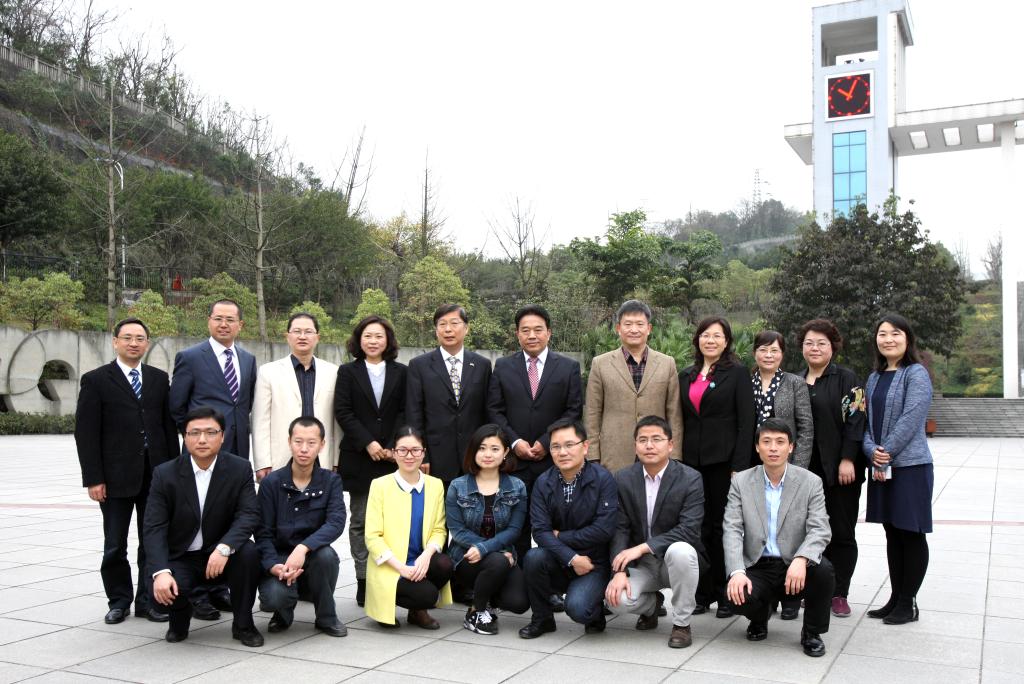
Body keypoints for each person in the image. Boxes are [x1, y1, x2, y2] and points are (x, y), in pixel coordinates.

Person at [74, 317, 179, 624]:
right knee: (115, 544)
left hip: (155, 475)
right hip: (114, 477)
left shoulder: (158, 378)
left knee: (152, 541)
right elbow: (86, 433)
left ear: (147, 343)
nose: (134, 343)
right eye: (128, 338)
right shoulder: (96, 380)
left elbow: (167, 429)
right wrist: (94, 478)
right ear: (115, 342)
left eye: (140, 338)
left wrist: (174, 471)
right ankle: (119, 600)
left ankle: (148, 601)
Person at [143, 407, 263, 647]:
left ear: (222, 436)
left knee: (249, 553)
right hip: (181, 556)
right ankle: (179, 617)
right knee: (160, 595)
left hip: (221, 553)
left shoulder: (239, 469)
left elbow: (248, 514)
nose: (202, 439)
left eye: (210, 432)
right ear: (185, 436)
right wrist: (161, 572)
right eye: (194, 433)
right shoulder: (165, 474)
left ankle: (243, 624)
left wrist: (225, 547)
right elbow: (154, 527)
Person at [169, 299, 256, 620]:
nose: (224, 324)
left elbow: (243, 404)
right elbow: (177, 406)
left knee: (227, 515)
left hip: (236, 452)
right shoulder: (191, 357)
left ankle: (219, 586)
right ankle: (196, 593)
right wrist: (198, 440)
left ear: (240, 325)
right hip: (201, 454)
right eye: (218, 318)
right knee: (198, 516)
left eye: (230, 319)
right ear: (209, 321)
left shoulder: (248, 359)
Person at [723, 419, 834, 658]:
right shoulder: (741, 481)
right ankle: (759, 616)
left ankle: (812, 632)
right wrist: (737, 571)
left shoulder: (810, 482)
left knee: (823, 571)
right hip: (758, 564)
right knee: (734, 595)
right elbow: (731, 528)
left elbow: (820, 528)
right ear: (757, 447)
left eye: (780, 442)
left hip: (793, 563)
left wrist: (802, 558)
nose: (773, 448)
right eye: (766, 442)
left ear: (790, 447)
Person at [487, 304, 583, 559]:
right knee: (515, 526)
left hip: (553, 462)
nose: (532, 335)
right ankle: (516, 576)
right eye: (525, 330)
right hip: (514, 462)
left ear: (548, 333)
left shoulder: (568, 367)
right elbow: (494, 410)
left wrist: (546, 441)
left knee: (554, 525)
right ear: (517, 334)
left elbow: (573, 410)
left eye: (538, 330)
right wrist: (514, 441)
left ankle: (550, 576)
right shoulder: (503, 366)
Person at [604, 416, 705, 649]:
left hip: (675, 562)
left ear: (670, 445)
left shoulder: (690, 478)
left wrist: (643, 547)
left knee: (681, 550)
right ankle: (652, 606)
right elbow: (620, 528)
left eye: (656, 439)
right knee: (615, 600)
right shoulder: (623, 478)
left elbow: (689, 530)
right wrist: (619, 571)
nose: (649, 445)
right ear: (635, 446)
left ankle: (681, 624)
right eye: (643, 440)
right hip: (642, 565)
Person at [679, 316, 755, 617]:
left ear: (726, 342)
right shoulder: (686, 374)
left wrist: (739, 465)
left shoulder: (736, 373)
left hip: (724, 463)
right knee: (696, 526)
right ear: (697, 339)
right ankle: (702, 592)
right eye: (705, 335)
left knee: (723, 526)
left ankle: (726, 593)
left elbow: (747, 422)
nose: (710, 340)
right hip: (692, 463)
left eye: (717, 336)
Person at [863, 314, 934, 625]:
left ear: (908, 339)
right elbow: (865, 422)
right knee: (892, 532)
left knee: (911, 532)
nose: (888, 339)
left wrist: (885, 453)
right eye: (882, 334)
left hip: (910, 467)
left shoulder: (916, 374)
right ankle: (895, 597)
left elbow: (911, 419)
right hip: (882, 465)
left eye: (895, 333)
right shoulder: (874, 378)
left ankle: (909, 602)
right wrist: (871, 450)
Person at [518, 419, 618, 639]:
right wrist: (572, 558)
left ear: (585, 446)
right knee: (533, 558)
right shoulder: (543, 482)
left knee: (579, 609)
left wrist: (561, 536)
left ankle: (595, 611)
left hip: (593, 562)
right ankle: (542, 618)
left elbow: (604, 529)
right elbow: (540, 532)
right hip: (561, 559)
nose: (562, 452)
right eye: (556, 446)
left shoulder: (603, 479)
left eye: (569, 445)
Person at [334, 315, 407, 607]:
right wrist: (369, 443)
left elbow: (405, 411)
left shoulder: (402, 372)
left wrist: (391, 446)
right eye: (368, 336)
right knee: (361, 521)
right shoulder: (347, 372)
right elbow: (343, 411)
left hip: (393, 458)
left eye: (379, 336)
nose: (373, 341)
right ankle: (363, 579)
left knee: (392, 523)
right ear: (358, 340)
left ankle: (389, 578)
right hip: (359, 457)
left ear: (388, 340)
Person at [256, 416, 347, 637]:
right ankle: (282, 613)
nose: (304, 449)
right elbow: (262, 532)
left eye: (311, 442)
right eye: (298, 442)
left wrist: (303, 548)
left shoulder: (330, 481)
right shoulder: (271, 483)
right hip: (280, 557)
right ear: (289, 442)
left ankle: (326, 616)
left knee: (326, 556)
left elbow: (336, 522)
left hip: (313, 553)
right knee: (273, 598)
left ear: (322, 444)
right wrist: (273, 565)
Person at [799, 319, 865, 619]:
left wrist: (848, 458)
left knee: (841, 532)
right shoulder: (795, 379)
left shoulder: (847, 379)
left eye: (821, 343)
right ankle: (814, 589)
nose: (814, 348)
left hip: (840, 471)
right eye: (809, 343)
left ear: (833, 347)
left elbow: (856, 420)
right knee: (809, 531)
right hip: (805, 472)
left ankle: (839, 593)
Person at [364, 426, 453, 629]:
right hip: (391, 565)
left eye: (415, 450)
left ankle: (417, 612)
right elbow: (372, 537)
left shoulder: (435, 485)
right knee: (427, 594)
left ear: (423, 453)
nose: (409, 456)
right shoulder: (380, 485)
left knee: (444, 564)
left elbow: (439, 529)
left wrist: (426, 556)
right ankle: (385, 607)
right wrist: (401, 568)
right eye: (402, 450)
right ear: (394, 453)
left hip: (419, 562)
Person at [446, 424, 530, 634]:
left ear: (505, 452)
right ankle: (476, 611)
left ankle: (488, 595)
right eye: (482, 448)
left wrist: (487, 549)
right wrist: (491, 550)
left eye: (494, 449)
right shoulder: (457, 486)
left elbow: (514, 530)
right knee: (498, 561)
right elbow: (457, 530)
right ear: (473, 451)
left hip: (502, 555)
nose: (487, 454)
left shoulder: (517, 486)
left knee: (519, 603)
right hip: (466, 556)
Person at [584, 300, 683, 472]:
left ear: (649, 328)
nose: (634, 329)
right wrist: (592, 455)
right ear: (618, 328)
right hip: (614, 453)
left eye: (639, 324)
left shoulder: (667, 363)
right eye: (628, 324)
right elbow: (592, 412)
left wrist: (674, 455)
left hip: (656, 451)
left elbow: (674, 413)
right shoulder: (600, 363)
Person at [406, 304, 492, 488]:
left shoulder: (482, 365)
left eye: (454, 323)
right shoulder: (419, 366)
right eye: (442, 324)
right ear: (436, 330)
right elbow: (414, 414)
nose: (448, 329)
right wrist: (421, 454)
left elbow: (487, 412)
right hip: (435, 458)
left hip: (474, 457)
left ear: (466, 328)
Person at [252, 312, 340, 481]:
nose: (302, 336)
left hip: (321, 457)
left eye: (308, 332)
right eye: (297, 331)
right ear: (287, 336)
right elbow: (260, 420)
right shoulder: (268, 372)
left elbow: (337, 421)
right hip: (281, 457)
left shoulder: (333, 372)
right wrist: (262, 462)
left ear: (317, 337)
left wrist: (336, 459)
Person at [751, 330, 813, 468]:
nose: (768, 355)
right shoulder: (746, 384)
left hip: (786, 461)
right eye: (763, 350)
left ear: (782, 354)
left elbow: (806, 428)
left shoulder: (795, 383)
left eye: (774, 350)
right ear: (755, 353)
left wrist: (799, 466)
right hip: (751, 459)